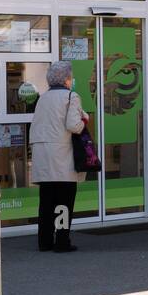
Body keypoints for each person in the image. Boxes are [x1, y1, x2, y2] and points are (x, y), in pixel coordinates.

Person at [30, 60, 87, 252]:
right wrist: (83, 122)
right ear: (67, 79)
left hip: (42, 155)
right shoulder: (71, 96)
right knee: (64, 201)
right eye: (71, 76)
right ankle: (62, 241)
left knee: (46, 201)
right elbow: (73, 125)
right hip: (62, 156)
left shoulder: (42, 98)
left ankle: (44, 241)